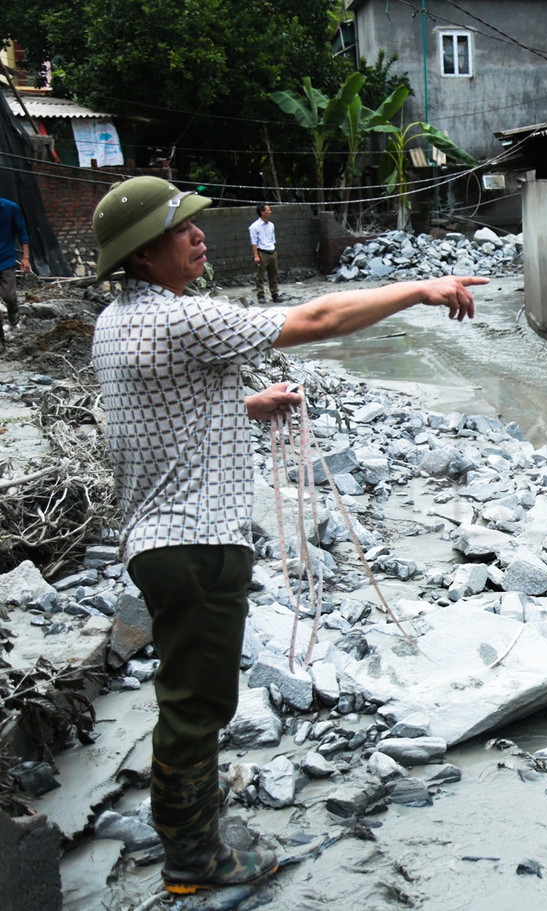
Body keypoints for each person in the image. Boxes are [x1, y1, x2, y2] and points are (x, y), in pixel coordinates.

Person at [89, 176, 486, 895]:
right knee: (196, 703)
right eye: (183, 229)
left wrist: (250, 402)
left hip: (154, 541)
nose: (200, 235)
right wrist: (421, 290)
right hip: (198, 545)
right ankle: (193, 858)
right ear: (142, 256)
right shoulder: (184, 319)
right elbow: (320, 316)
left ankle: (186, 832)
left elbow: (164, 407)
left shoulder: (117, 322)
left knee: (186, 692)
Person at [0, 194, 30, 339]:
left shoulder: (10, 208)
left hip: (5, 260)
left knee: (9, 296)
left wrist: (25, 258)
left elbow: (22, 232)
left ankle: (14, 314)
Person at [248, 202, 280, 302]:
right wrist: (256, 255)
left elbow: (272, 239)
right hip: (262, 252)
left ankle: (275, 294)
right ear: (262, 212)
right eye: (268, 210)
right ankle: (260, 294)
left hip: (272, 251)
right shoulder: (254, 226)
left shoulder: (271, 225)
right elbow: (254, 242)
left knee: (273, 274)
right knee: (260, 276)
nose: (270, 212)